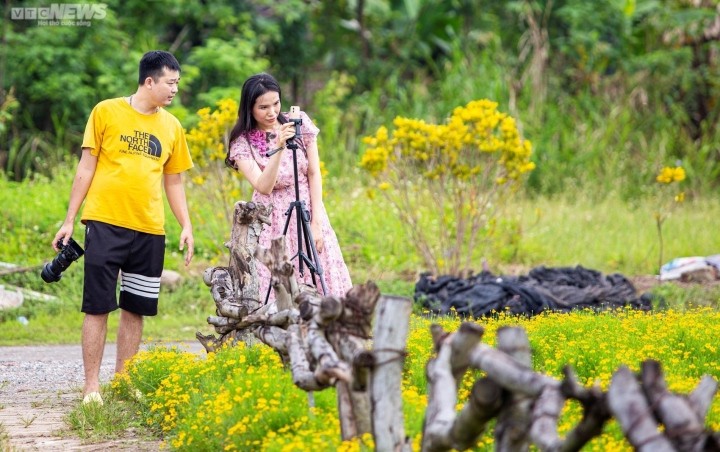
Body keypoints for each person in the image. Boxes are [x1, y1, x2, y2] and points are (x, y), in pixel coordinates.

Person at [51, 50, 194, 405]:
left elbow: (173, 182)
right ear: (149, 81)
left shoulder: (172, 127)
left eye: (177, 82)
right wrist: (70, 218)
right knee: (97, 305)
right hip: (104, 223)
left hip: (149, 229)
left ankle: (122, 381)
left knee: (136, 307)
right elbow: (86, 167)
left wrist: (186, 225)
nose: (175, 89)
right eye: (170, 82)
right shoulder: (106, 111)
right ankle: (91, 388)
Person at [225, 73, 352, 304]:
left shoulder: (298, 122)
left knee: (319, 265)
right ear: (249, 108)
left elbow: (313, 173)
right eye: (263, 107)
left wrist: (316, 223)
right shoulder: (243, 142)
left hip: (306, 207)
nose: (272, 112)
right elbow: (264, 186)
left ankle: (325, 326)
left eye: (276, 103)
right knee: (273, 276)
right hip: (270, 218)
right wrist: (278, 147)